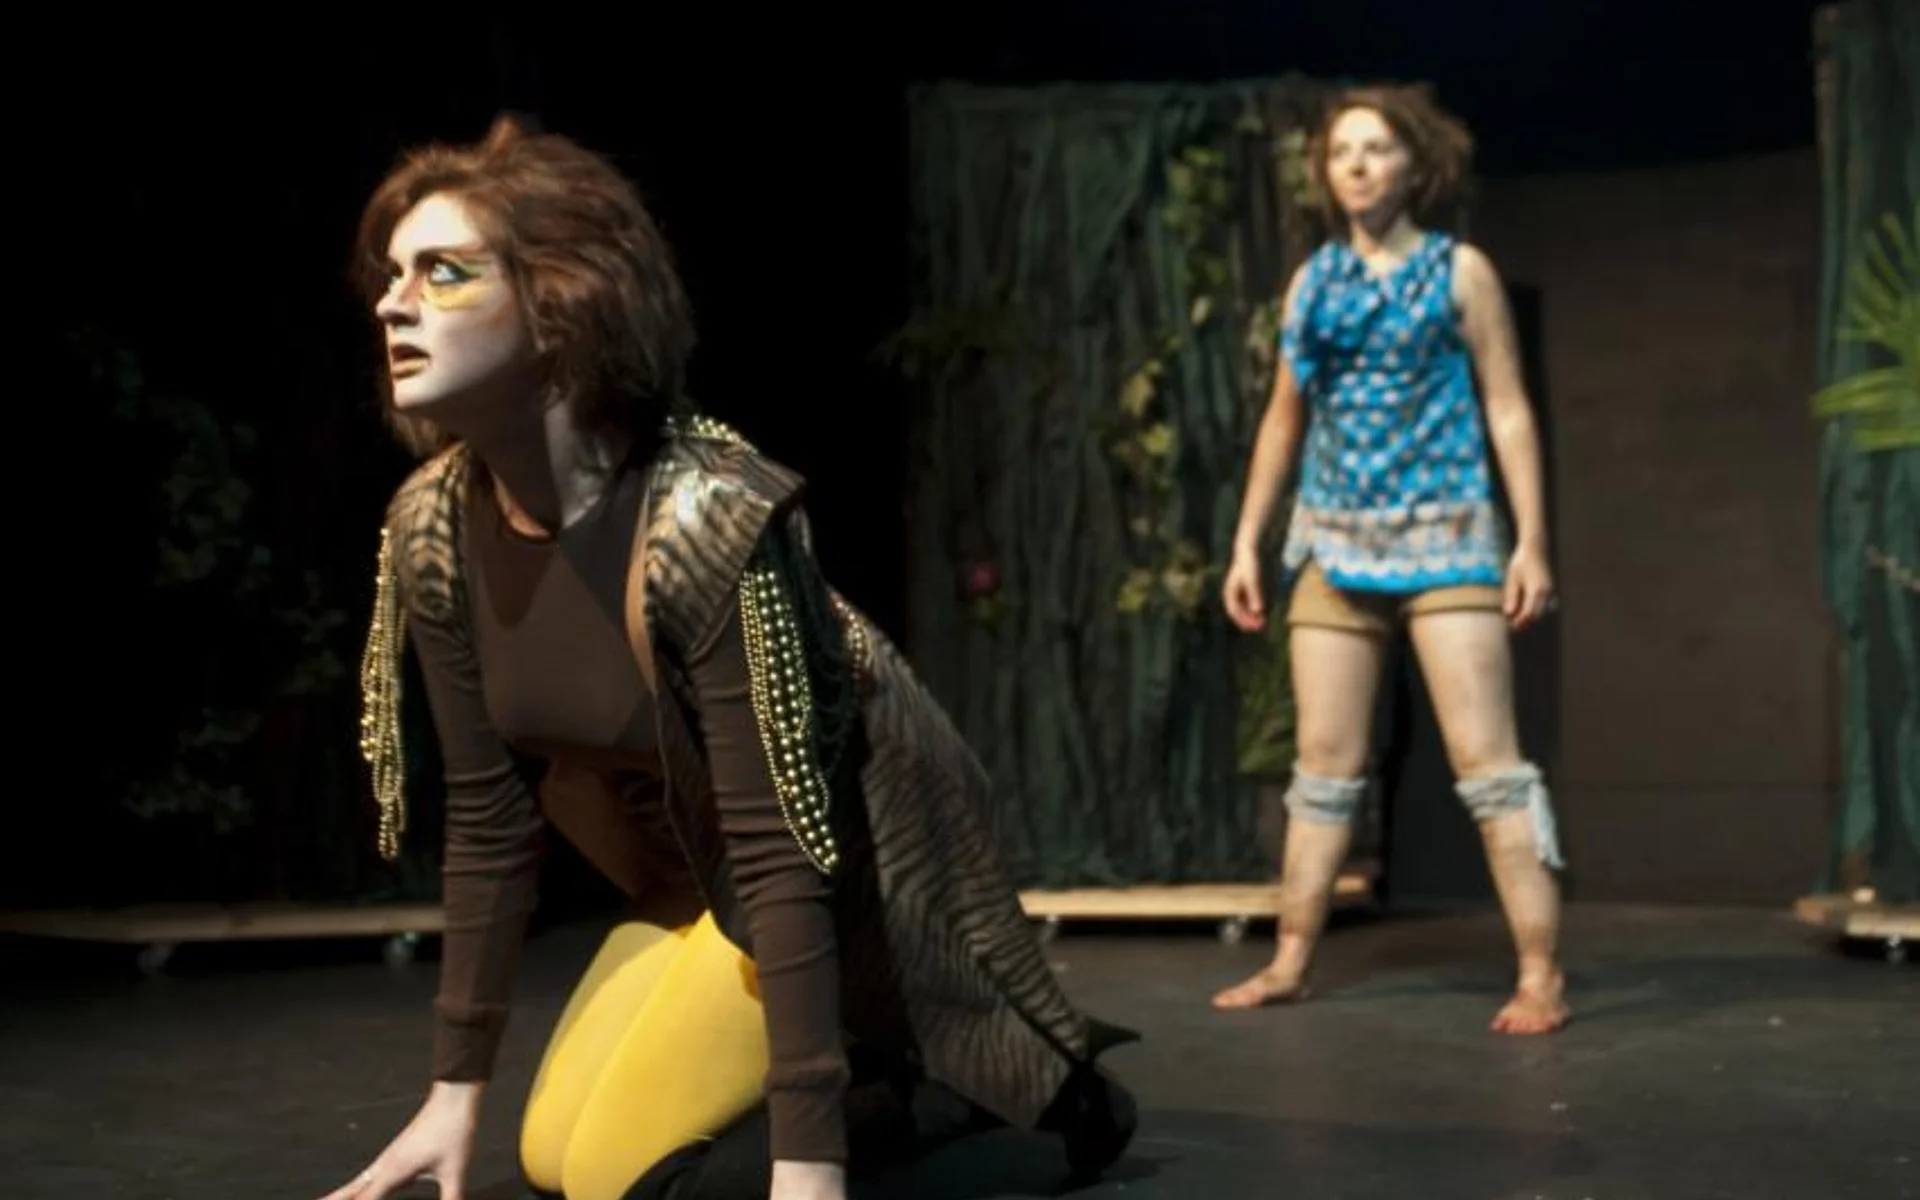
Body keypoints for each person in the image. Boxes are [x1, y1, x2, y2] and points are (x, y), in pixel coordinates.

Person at [320, 115, 1137, 1200]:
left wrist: (808, 1167)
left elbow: (784, 853)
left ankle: (962, 1088)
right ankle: (886, 1069)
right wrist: (453, 1093)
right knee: (552, 1156)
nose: (393, 302)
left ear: (563, 303)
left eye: (443, 271)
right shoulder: (433, 527)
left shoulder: (708, 520)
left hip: (848, 872)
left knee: (619, 1175)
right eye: (391, 274)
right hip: (687, 880)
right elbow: (487, 821)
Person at [1213, 84, 1570, 1035]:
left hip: (1447, 535)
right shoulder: (1314, 283)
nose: (1358, 166)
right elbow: (1283, 420)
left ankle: (1541, 973)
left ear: (1416, 165)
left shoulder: (1460, 273)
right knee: (1324, 766)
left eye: (1376, 148)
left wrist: (1531, 539)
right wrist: (1248, 539)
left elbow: (1507, 407)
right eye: (1342, 152)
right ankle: (1290, 960)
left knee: (1488, 764)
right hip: (1334, 538)